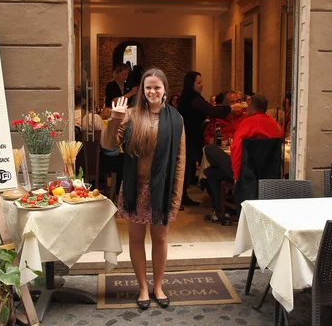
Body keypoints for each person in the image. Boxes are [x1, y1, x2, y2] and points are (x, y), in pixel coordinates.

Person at [102, 68, 185, 310]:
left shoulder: (177, 119)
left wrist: (176, 198)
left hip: (163, 190)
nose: (152, 91)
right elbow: (108, 147)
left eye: (157, 87)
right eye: (148, 87)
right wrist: (115, 118)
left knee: (160, 239)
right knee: (136, 240)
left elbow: (180, 161)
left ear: (165, 90)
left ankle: (158, 286)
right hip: (135, 188)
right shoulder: (130, 115)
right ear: (142, 90)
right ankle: (142, 287)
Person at [203, 93, 281, 224]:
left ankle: (222, 213)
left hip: (246, 172)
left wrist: (236, 176)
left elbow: (236, 149)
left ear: (250, 106)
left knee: (209, 150)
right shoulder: (274, 125)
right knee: (211, 172)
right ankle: (222, 212)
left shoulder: (248, 122)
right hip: (267, 172)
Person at [178, 71, 243, 207]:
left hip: (191, 136)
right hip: (188, 136)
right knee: (184, 167)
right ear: (192, 83)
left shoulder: (191, 97)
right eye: (199, 82)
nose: (202, 85)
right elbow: (211, 110)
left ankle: (183, 196)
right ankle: (181, 197)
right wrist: (229, 109)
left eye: (202, 82)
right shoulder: (193, 99)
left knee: (187, 166)